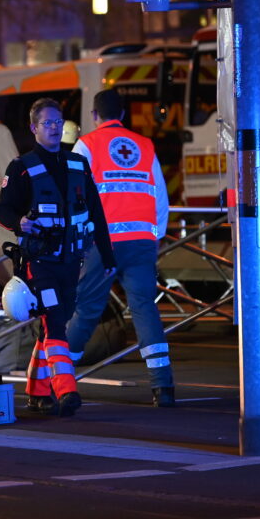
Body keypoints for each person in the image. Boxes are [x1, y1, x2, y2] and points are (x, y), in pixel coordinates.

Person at [0, 97, 115, 416]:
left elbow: (97, 213)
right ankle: (67, 391)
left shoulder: (77, 164)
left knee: (51, 325)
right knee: (56, 323)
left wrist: (107, 254)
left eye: (58, 123)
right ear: (34, 128)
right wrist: (18, 221)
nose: (54, 128)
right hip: (39, 261)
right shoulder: (21, 167)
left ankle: (36, 392)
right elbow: (2, 209)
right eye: (47, 123)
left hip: (71, 261)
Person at [66, 87, 176, 407]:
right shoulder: (144, 145)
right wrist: (155, 237)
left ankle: (56, 377)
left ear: (94, 116)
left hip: (102, 243)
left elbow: (77, 195)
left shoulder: (86, 144)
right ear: (124, 114)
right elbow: (160, 198)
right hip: (141, 241)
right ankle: (162, 385)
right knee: (144, 308)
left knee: (87, 310)